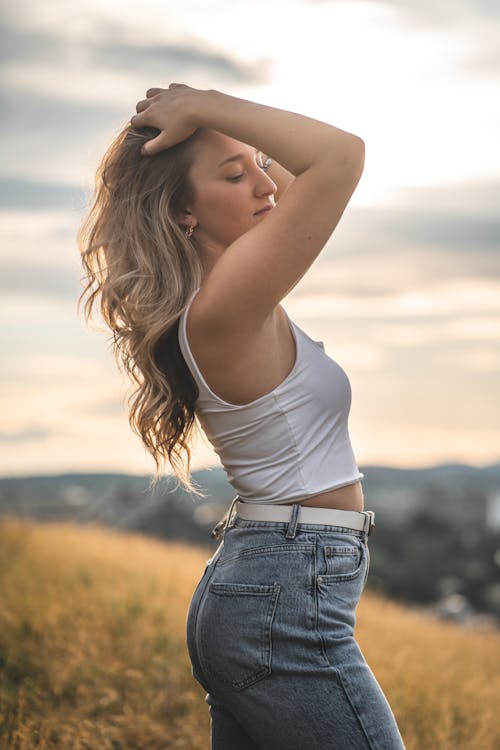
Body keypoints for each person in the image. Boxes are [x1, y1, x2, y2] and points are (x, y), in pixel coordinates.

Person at [78, 83, 406, 748]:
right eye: (234, 175)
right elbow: (338, 158)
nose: (264, 184)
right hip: (284, 599)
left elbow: (295, 174)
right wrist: (204, 102)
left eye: (259, 162)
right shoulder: (224, 307)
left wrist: (225, 136)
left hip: (265, 587)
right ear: (182, 213)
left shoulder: (226, 297)